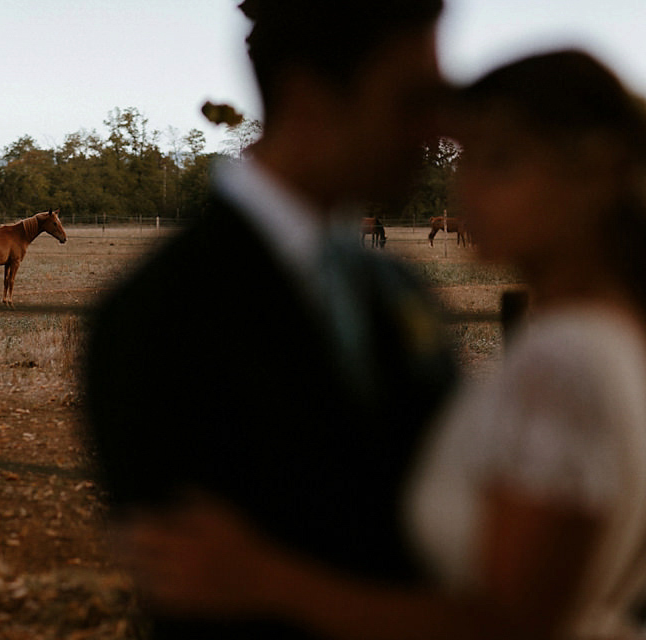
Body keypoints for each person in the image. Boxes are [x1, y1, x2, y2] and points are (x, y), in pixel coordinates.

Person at [119, 50, 646, 640]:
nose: (464, 188)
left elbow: (506, 627)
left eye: (500, 162)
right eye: (466, 159)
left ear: (596, 177)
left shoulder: (565, 363)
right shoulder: (611, 336)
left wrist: (267, 580)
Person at [83, 1, 457, 638]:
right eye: (411, 100)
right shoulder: (155, 318)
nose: (438, 127)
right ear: (309, 99)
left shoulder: (399, 287)